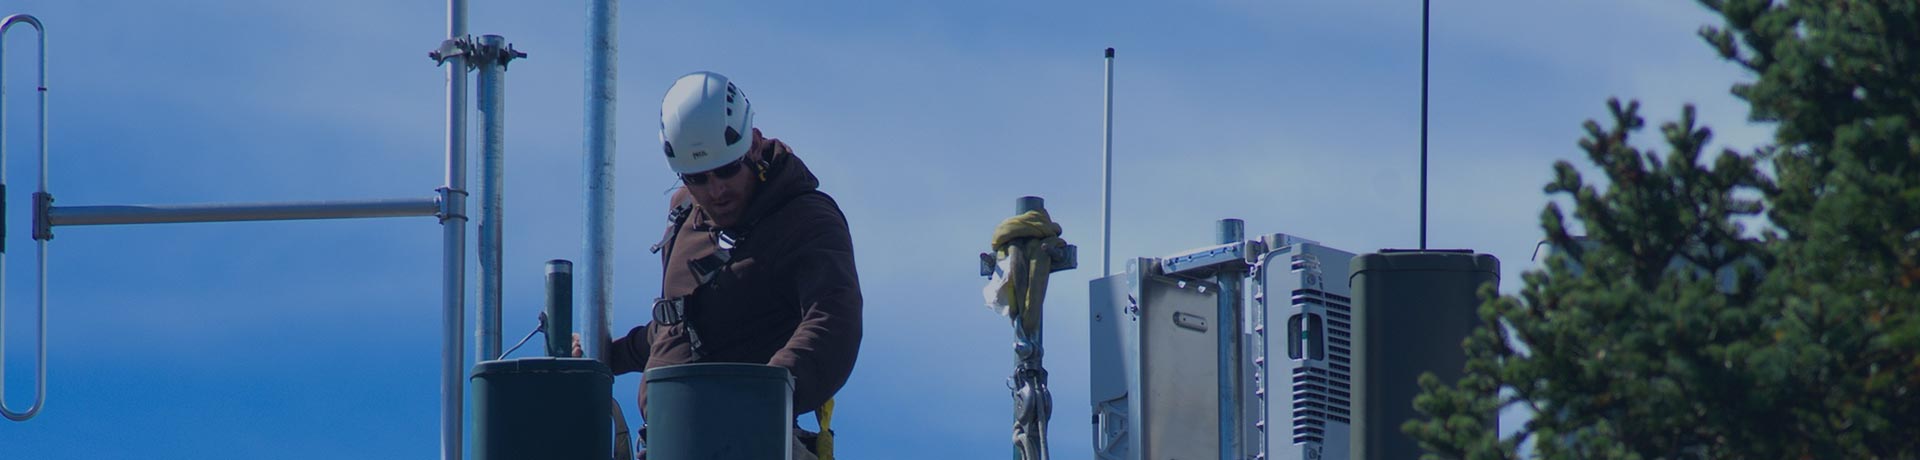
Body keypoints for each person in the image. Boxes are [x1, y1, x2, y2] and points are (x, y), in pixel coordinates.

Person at [582, 71, 862, 459]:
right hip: (674, 442)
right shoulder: (685, 214)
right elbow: (680, 328)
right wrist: (604, 356)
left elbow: (832, 320)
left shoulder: (806, 220)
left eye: (727, 169)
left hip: (754, 443)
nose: (716, 190)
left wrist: (763, 395)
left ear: (754, 144)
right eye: (698, 177)